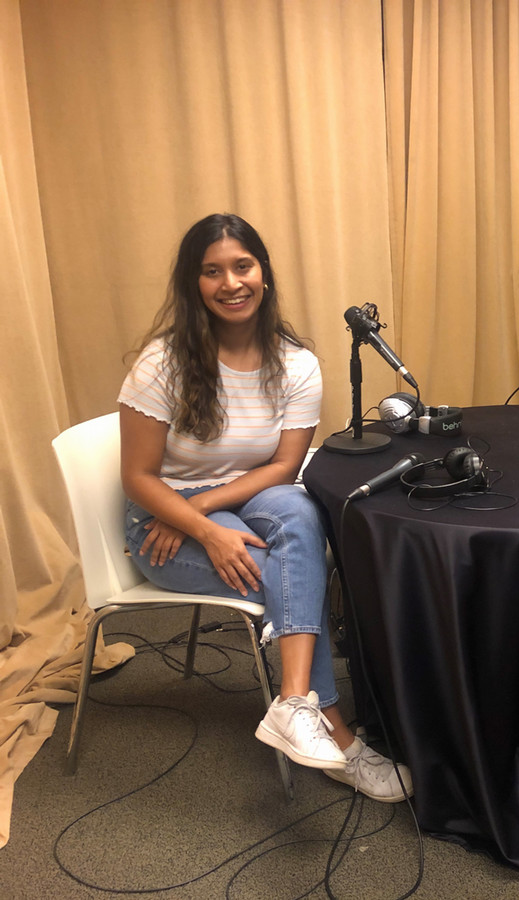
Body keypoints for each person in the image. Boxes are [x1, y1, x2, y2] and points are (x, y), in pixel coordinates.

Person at [118, 213, 412, 803]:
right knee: (289, 571)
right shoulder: (162, 363)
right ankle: (335, 733)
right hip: (159, 524)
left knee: (300, 513)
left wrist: (203, 508)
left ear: (264, 274)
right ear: (193, 284)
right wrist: (200, 525)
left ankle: (294, 702)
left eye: (242, 266)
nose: (230, 282)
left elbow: (281, 468)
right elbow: (137, 477)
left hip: (240, 498)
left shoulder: (296, 363)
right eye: (212, 271)